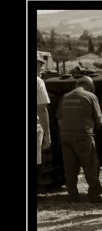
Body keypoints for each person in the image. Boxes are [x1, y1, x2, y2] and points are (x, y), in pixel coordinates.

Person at [55, 76, 102, 203]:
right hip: (83, 136)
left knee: (70, 168)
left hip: (64, 136)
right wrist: (92, 131)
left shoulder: (65, 97)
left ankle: (73, 197)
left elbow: (59, 120)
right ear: (88, 86)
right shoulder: (90, 96)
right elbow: (99, 120)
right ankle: (94, 196)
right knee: (91, 166)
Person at [36, 55, 51, 186]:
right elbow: (41, 109)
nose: (41, 69)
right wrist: (47, 133)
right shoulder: (38, 82)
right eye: (40, 65)